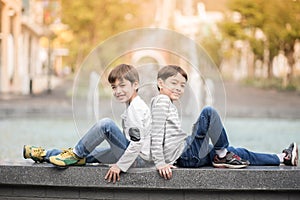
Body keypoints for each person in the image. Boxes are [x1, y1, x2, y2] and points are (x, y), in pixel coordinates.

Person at [150, 65, 298, 180]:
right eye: (174, 83)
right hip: (186, 154)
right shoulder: (162, 101)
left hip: (186, 151)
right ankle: (222, 155)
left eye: (182, 85)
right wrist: (160, 163)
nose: (179, 88)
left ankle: (282, 158)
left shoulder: (165, 102)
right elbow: (155, 134)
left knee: (238, 153)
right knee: (208, 113)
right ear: (160, 83)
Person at [23, 64, 153, 183]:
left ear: (135, 85)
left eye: (122, 85)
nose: (118, 91)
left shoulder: (137, 108)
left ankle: (75, 154)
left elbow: (137, 143)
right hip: (133, 156)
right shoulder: (133, 106)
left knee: (106, 125)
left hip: (137, 160)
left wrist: (120, 166)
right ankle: (44, 154)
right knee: (90, 153)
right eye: (114, 87)